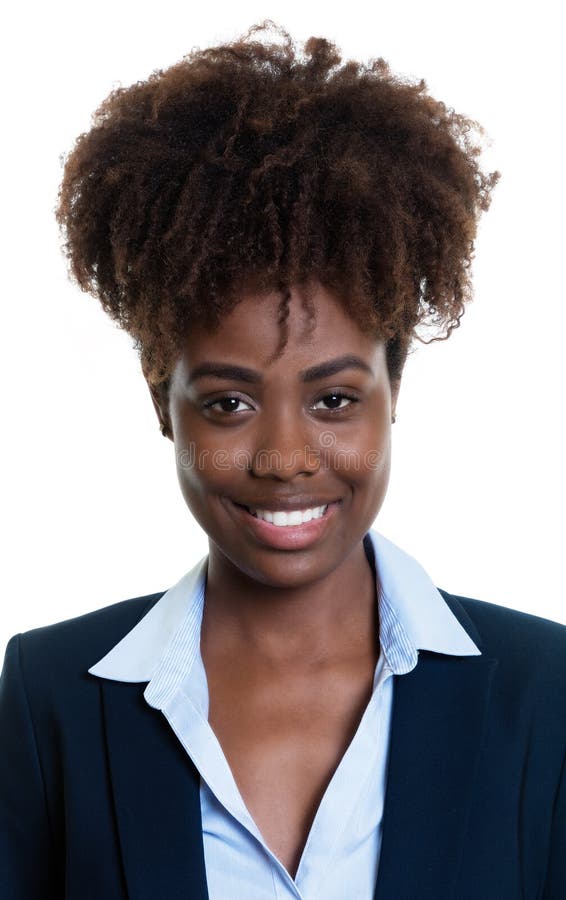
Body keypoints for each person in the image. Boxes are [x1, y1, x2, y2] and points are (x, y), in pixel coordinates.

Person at [1, 18, 564, 900]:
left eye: (335, 399)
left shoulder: (544, 694)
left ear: (394, 391)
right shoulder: (52, 698)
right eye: (228, 403)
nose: (285, 457)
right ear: (163, 403)